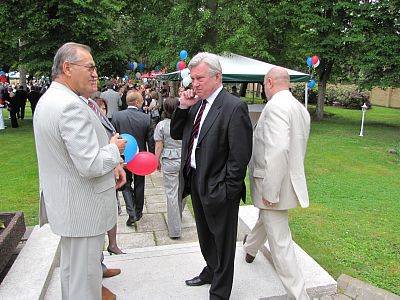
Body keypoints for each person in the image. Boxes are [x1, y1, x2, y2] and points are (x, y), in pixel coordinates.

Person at [33, 42, 126, 300]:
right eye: (90, 67)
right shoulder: (70, 106)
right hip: (84, 209)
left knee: (73, 277)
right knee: (85, 283)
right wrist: (113, 150)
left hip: (71, 208)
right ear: (67, 68)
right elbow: (90, 165)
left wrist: (113, 164)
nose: (95, 73)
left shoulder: (51, 99)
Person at [170, 52, 253, 300]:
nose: (194, 84)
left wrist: (227, 190)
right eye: (192, 78)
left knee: (224, 242)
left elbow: (239, 157)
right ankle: (210, 270)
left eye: (199, 78)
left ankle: (220, 292)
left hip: (219, 186)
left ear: (217, 77)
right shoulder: (196, 104)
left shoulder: (234, 107)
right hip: (196, 180)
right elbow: (177, 134)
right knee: (205, 235)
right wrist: (183, 107)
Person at [243, 67, 311, 300]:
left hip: (274, 184)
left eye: (263, 85)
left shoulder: (275, 107)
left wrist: (270, 192)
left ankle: (299, 295)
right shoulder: (299, 108)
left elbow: (278, 150)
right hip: (287, 180)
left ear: (269, 82)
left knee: (281, 244)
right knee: (265, 219)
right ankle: (250, 249)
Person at [112, 90, 155, 226]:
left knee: (125, 184)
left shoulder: (117, 116)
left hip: (123, 156)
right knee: (139, 184)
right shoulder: (146, 118)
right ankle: (138, 211)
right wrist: (152, 157)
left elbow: (114, 137)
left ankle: (132, 212)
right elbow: (151, 141)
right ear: (137, 102)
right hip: (140, 158)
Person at [154, 96, 185, 239]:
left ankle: (174, 229)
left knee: (171, 193)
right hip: (184, 159)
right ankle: (177, 217)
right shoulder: (186, 121)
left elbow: (159, 145)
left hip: (170, 159)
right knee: (183, 191)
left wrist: (156, 160)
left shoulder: (161, 125)